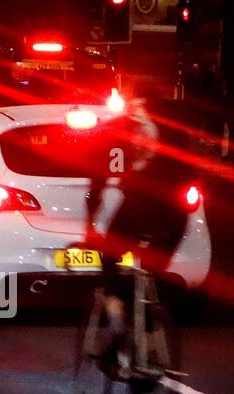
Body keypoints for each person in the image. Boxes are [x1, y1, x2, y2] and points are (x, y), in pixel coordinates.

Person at [82, 100, 194, 358]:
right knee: (153, 271)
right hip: (174, 213)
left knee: (109, 259)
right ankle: (152, 345)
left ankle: (118, 317)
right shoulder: (173, 126)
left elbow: (96, 183)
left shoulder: (117, 129)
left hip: (140, 206)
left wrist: (90, 227)